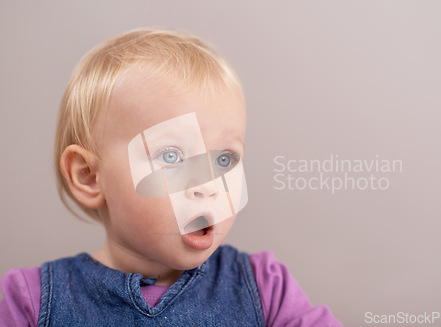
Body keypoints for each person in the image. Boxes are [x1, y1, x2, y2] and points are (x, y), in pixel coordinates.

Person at [0, 27, 342, 326]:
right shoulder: (29, 302)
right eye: (171, 156)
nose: (207, 184)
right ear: (89, 176)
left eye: (225, 158)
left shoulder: (265, 287)